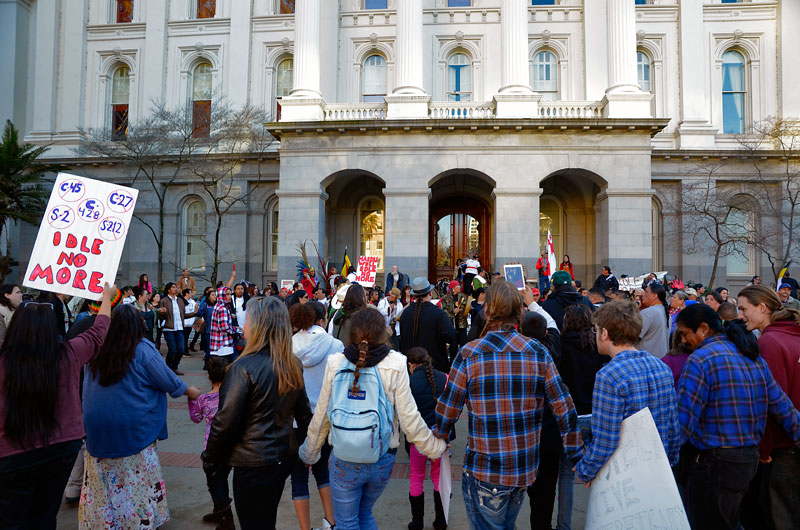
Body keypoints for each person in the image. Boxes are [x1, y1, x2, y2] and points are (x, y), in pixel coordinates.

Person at [437, 281, 581, 529]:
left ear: (487, 311)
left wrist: (439, 435)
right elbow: (564, 407)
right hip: (524, 467)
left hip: (486, 469)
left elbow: (448, 410)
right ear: (519, 312)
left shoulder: (471, 353)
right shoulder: (537, 351)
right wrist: (576, 454)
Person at [299, 308, 447, 530]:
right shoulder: (397, 363)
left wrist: (309, 452)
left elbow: (322, 416)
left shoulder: (335, 362)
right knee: (365, 514)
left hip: (345, 457)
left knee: (347, 523)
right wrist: (435, 448)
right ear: (383, 333)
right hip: (383, 456)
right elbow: (410, 419)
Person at [675, 303, 800, 530]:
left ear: (703, 329)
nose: (683, 341)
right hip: (747, 460)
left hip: (716, 463)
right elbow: (782, 406)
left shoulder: (701, 359)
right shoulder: (751, 357)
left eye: (684, 334)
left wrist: (663, 458)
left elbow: (683, 421)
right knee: (729, 520)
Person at [0, 283, 114, 529]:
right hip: (61, 449)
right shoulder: (69, 353)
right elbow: (99, 332)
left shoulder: (4, 362)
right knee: (44, 515)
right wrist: (106, 298)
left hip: (11, 456)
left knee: (11, 519)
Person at [80, 304, 202, 529]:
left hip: (95, 431)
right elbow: (167, 380)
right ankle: (137, 521)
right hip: (133, 431)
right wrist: (191, 391)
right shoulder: (142, 348)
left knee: (104, 483)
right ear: (138, 325)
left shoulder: (97, 348)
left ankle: (104, 522)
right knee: (135, 482)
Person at [204, 296, 313, 530]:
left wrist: (210, 459)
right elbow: (304, 415)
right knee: (264, 518)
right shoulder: (291, 364)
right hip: (280, 458)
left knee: (255, 522)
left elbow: (224, 423)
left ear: (258, 326)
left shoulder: (242, 368)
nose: (243, 325)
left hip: (253, 463)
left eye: (247, 320)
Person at [575, 300, 680, 484]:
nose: (595, 334)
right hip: (658, 472)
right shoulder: (661, 367)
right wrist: (669, 464)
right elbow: (673, 426)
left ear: (605, 333)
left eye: (596, 330)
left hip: (624, 478)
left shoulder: (609, 375)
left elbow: (606, 440)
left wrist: (585, 471)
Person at [737, 286, 800, 529]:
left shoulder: (770, 342)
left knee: (781, 517)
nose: (740, 315)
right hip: (791, 443)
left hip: (783, 448)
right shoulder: (791, 335)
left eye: (744, 309)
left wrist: (764, 449)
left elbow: (771, 402)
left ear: (762, 308)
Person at [555, 304, 609, 530]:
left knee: (566, 475)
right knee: (600, 473)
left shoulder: (562, 345)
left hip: (572, 415)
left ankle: (564, 525)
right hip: (596, 414)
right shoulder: (597, 347)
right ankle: (600, 521)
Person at [289, 302, 341, 530]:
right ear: (322, 320)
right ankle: (330, 521)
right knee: (323, 470)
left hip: (294, 419)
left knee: (298, 474)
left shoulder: (289, 344)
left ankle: (304, 528)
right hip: (324, 417)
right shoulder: (336, 344)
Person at [405, 347, 448, 530]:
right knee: (439, 477)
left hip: (417, 439)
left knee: (416, 476)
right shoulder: (444, 378)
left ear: (410, 365)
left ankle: (417, 521)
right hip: (440, 437)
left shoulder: (408, 382)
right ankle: (441, 521)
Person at [189, 356, 232, 529]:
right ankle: (219, 512)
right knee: (222, 480)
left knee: (214, 485)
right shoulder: (232, 395)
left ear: (208, 377)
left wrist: (191, 399)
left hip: (212, 449)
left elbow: (196, 418)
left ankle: (225, 519)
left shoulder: (204, 399)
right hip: (230, 447)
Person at [398, 278, 457, 373]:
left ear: (414, 295)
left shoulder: (405, 314)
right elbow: (452, 338)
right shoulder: (438, 314)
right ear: (430, 293)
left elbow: (402, 341)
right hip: (436, 369)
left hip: (410, 370)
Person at [159, 282, 195, 375]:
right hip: (169, 328)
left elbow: (183, 315)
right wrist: (162, 313)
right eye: (174, 287)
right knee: (173, 349)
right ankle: (168, 368)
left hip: (179, 328)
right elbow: (160, 314)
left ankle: (174, 367)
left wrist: (194, 313)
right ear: (169, 290)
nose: (176, 289)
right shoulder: (164, 300)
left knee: (181, 349)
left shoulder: (180, 300)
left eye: (177, 287)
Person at [636, 281, 670, 358]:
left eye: (646, 292)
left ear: (654, 296)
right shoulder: (665, 312)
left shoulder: (648, 312)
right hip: (661, 360)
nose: (643, 294)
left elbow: (634, 337)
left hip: (646, 361)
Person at [210, 286, 236, 364]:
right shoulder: (223, 309)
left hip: (217, 345)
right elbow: (225, 327)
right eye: (227, 294)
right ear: (221, 295)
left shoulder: (218, 306)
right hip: (224, 345)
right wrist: (236, 330)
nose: (229, 296)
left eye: (230, 294)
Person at [441, 280, 468, 354]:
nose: (459, 287)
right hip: (451, 324)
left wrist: (460, 310)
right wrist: (453, 311)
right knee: (453, 345)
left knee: (463, 343)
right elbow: (444, 310)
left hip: (461, 323)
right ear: (453, 288)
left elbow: (465, 307)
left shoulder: (462, 296)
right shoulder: (445, 298)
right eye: (458, 285)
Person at [182, 288, 198, 352]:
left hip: (190, 323)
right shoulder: (181, 301)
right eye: (190, 292)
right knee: (184, 338)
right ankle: (184, 351)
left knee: (187, 337)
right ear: (186, 294)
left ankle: (185, 350)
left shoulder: (192, 301)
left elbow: (196, 310)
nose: (192, 294)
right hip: (184, 323)